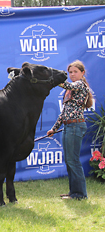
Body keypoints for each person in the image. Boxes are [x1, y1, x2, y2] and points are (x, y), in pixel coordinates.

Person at [47, 60, 93, 200]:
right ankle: (74, 193)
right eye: (70, 72)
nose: (72, 74)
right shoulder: (70, 90)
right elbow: (64, 112)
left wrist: (54, 78)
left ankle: (79, 194)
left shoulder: (79, 84)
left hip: (75, 126)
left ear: (82, 73)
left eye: (75, 72)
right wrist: (54, 129)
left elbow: (65, 83)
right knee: (70, 160)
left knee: (73, 161)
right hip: (69, 126)